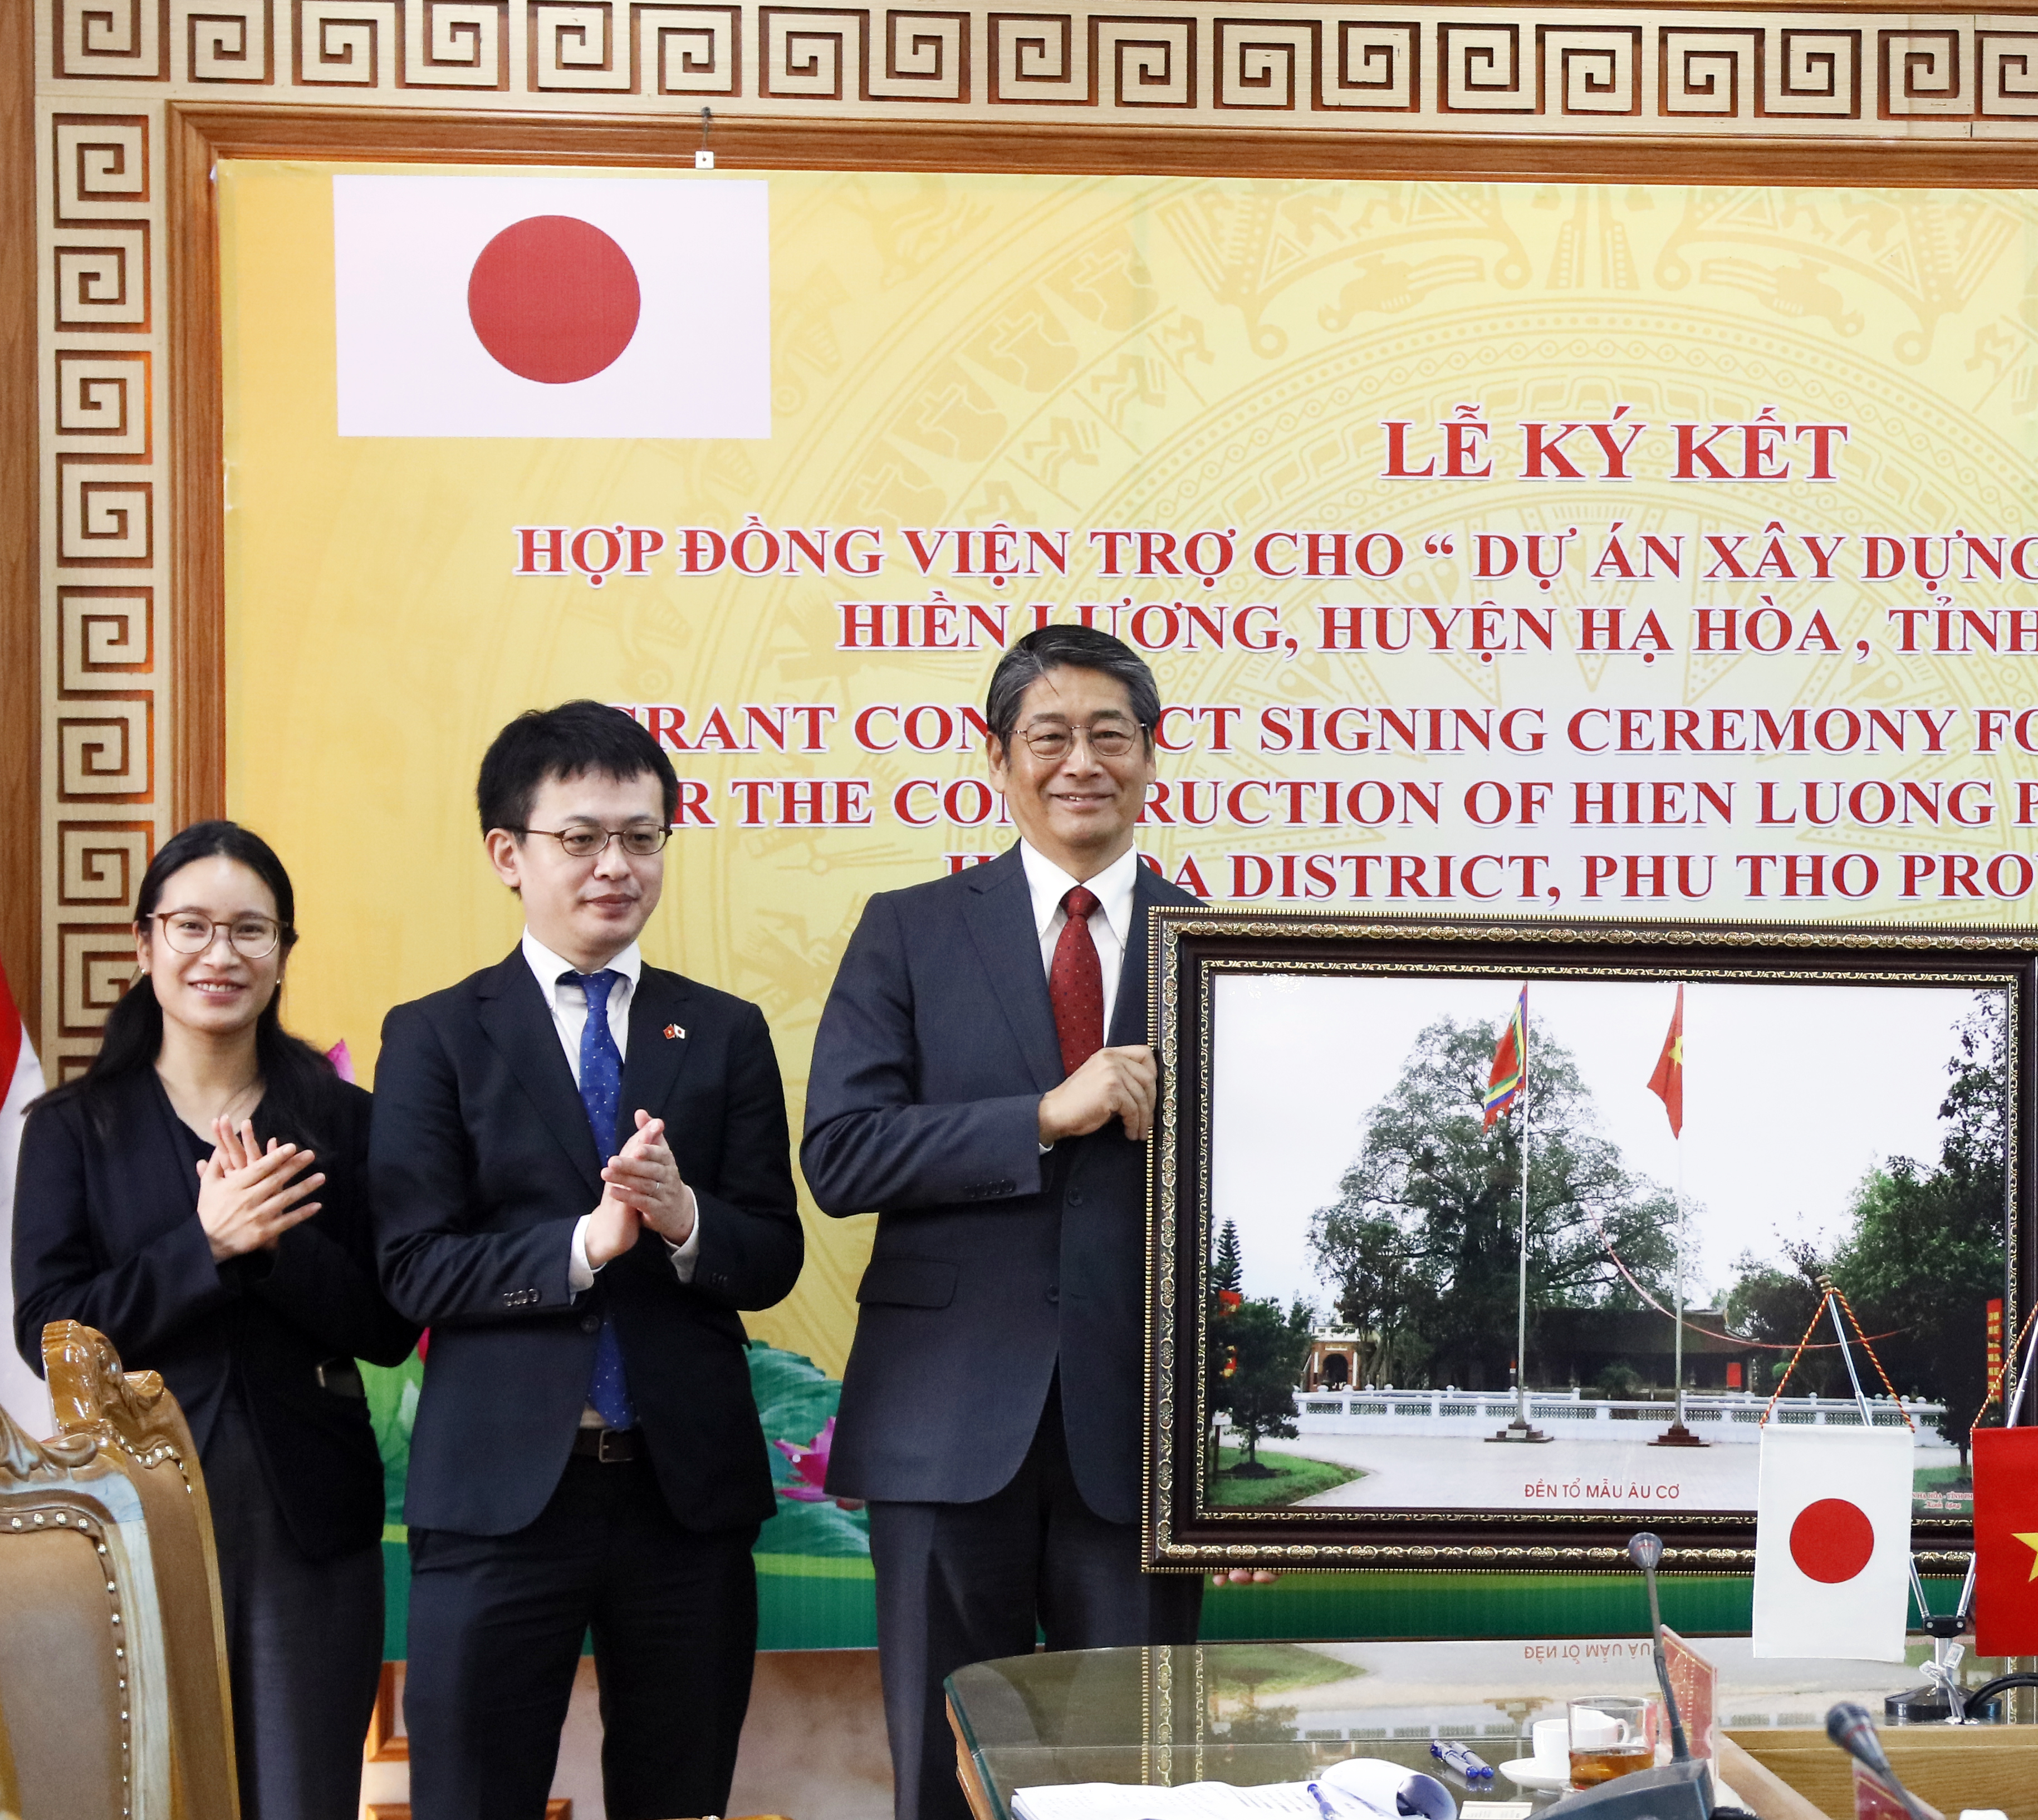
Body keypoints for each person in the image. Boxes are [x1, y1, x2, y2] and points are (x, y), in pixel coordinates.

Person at [808, 625, 1273, 1820]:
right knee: (943, 1769)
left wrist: (1231, 1461)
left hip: (1141, 1443)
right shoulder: (907, 928)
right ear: (998, 758)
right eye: (1049, 735)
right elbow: (843, 1153)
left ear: (1153, 756)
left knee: (1141, 1779)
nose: (1082, 761)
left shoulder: (1219, 947)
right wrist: (1042, 1116)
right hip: (943, 1421)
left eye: (1110, 733)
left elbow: (1257, 1207)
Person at [371, 701, 803, 1820]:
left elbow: (772, 1253)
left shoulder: (723, 1029)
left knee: (678, 1794)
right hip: (501, 1494)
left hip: (681, 1493)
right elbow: (413, 1266)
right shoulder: (436, 1034)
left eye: (643, 836)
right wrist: (583, 1243)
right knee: (472, 1795)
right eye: (582, 837)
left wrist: (682, 1219)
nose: (617, 865)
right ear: (508, 854)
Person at [13, 819, 418, 1820]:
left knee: (300, 1793)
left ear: (283, 955)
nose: (219, 955)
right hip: (125, 1515)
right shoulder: (73, 1127)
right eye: (190, 927)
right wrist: (204, 1249)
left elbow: (385, 1321)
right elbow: (52, 1330)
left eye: (250, 931)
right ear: (146, 946)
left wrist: (272, 1248)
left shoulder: (345, 1121)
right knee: (158, 1790)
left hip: (306, 1512)